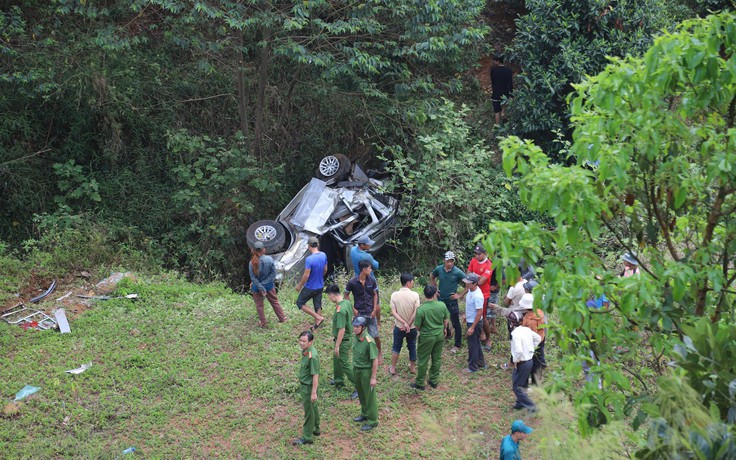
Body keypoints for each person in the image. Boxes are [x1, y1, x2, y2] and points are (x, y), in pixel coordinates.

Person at [411, 285, 450, 390]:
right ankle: (434, 381)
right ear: (435, 294)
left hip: (427, 336)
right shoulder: (442, 305)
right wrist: (444, 329)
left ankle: (420, 383)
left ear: (425, 295)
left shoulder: (421, 309)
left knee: (423, 359)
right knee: (436, 358)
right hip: (439, 334)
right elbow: (446, 319)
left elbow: (417, 326)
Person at [345, 260, 382, 363]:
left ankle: (379, 352)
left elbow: (375, 294)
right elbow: (346, 295)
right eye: (369, 268)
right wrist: (353, 309)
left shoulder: (372, 280)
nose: (370, 270)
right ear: (363, 269)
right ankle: (361, 354)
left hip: (370, 311)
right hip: (359, 312)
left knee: (374, 334)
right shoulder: (352, 282)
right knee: (359, 334)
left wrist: (374, 309)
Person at [459, 245, 494, 351]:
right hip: (471, 291)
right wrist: (475, 277)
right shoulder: (473, 261)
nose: (477, 256)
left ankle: (488, 339)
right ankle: (477, 332)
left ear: (484, 254)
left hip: (483, 294)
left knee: (482, 317)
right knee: (470, 313)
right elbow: (468, 274)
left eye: (479, 254)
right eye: (476, 254)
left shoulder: (488, 265)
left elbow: (481, 281)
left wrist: (474, 276)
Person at [429, 251, 466, 353]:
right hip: (441, 300)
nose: (450, 263)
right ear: (444, 260)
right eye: (448, 261)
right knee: (441, 319)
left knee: (455, 323)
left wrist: (460, 295)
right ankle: (448, 334)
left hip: (452, 302)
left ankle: (457, 344)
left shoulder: (457, 272)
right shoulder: (439, 269)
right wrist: (435, 290)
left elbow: (468, 282)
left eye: (452, 261)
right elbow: (432, 276)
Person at [325, 284, 358, 399]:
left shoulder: (340, 310)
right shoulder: (346, 302)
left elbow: (341, 329)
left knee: (344, 363)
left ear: (332, 295)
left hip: (343, 340)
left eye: (329, 296)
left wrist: (337, 345)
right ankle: (338, 380)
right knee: (336, 360)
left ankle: (358, 386)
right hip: (345, 338)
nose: (329, 299)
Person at [248, 241, 287, 328]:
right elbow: (273, 275)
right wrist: (264, 286)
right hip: (269, 286)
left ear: (254, 250)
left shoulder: (251, 263)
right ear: (263, 250)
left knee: (259, 305)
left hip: (256, 287)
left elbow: (253, 278)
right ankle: (282, 319)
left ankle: (263, 322)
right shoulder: (269, 260)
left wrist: (260, 287)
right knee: (274, 302)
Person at [292, 330, 320, 445]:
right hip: (307, 386)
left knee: (309, 412)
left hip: (308, 388)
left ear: (311, 342)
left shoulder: (312, 356)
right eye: (300, 340)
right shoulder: (306, 351)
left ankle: (307, 437)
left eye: (304, 341)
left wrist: (313, 392)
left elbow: (315, 375)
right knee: (314, 408)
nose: (301, 343)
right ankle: (316, 429)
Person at [389, 273, 420, 375]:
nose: (413, 283)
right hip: (411, 328)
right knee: (412, 346)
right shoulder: (415, 295)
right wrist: (409, 323)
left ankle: (393, 368)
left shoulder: (394, 295)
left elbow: (394, 312)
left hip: (399, 327)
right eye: (412, 281)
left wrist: (403, 323)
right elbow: (416, 311)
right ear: (408, 283)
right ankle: (412, 367)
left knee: (396, 347)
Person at [351, 316, 379, 431]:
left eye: (357, 327)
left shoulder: (369, 341)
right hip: (357, 369)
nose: (355, 329)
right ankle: (364, 414)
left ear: (363, 328)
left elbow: (375, 360)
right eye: (354, 326)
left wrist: (373, 377)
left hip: (366, 372)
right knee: (361, 394)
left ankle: (373, 421)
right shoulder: (356, 338)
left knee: (369, 397)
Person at [295, 236, 328, 328]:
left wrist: (299, 285)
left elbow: (306, 275)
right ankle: (317, 325)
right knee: (317, 304)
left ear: (309, 246)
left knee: (300, 303)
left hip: (310, 287)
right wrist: (320, 277)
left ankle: (318, 317)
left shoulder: (309, 259)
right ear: (317, 245)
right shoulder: (323, 255)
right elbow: (325, 269)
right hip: (320, 285)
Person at [510, 320, 541, 412]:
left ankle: (532, 407)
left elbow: (518, 351)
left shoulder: (515, 334)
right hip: (529, 361)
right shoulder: (526, 330)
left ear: (511, 324)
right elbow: (538, 338)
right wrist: (530, 348)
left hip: (522, 362)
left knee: (517, 387)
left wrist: (515, 360)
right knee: (520, 383)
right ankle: (520, 403)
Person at [350, 235, 382, 323]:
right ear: (362, 245)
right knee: (376, 302)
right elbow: (376, 265)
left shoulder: (352, 250)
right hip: (369, 280)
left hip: (358, 279)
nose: (370, 245)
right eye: (368, 244)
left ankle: (361, 320)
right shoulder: (367, 257)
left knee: (360, 300)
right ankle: (378, 322)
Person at [520, 290, 546, 385]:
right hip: (540, 339)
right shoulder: (538, 312)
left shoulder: (531, 320)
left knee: (533, 363)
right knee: (537, 362)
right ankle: (537, 381)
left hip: (533, 343)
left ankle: (536, 385)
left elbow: (532, 334)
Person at [462, 273, 486, 373]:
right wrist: (465, 316)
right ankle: (481, 362)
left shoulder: (477, 296)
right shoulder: (470, 290)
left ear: (475, 283)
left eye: (469, 283)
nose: (467, 284)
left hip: (474, 323)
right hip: (470, 320)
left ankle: (473, 367)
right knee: (476, 343)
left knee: (473, 345)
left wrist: (472, 327)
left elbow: (479, 312)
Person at [490, 54, 513, 125]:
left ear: (498, 61)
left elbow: (493, 81)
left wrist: (493, 90)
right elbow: (510, 83)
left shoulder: (493, 70)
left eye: (494, 61)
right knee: (503, 102)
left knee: (496, 110)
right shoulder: (508, 70)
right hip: (505, 92)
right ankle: (503, 114)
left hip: (496, 92)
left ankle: (497, 125)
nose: (493, 62)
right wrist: (511, 95)